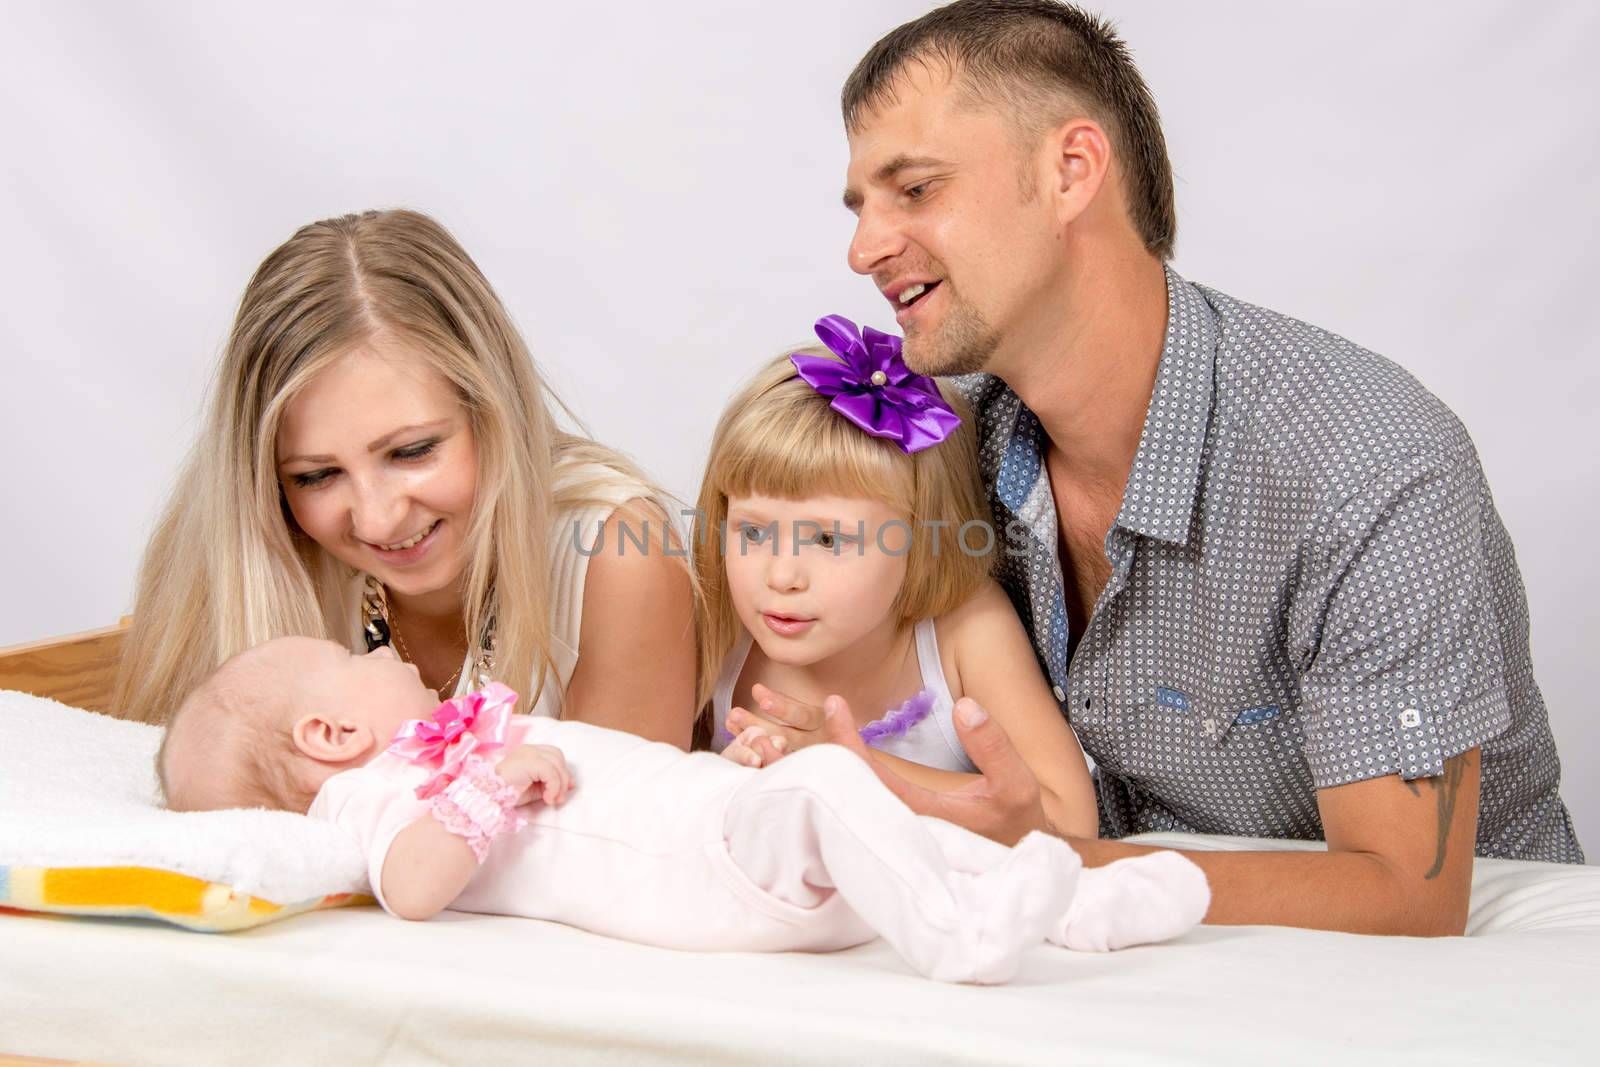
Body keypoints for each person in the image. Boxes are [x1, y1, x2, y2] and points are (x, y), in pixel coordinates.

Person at [735, 0, 1582, 936]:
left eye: (917, 189)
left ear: (1071, 171)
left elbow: (1406, 894)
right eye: (861, 207)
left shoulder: (1367, 461)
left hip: (1441, 986)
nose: (864, 249)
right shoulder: (945, 448)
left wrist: (1041, 857)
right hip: (1109, 966)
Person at [156, 636, 1211, 984]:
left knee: (860, 812)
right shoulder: (372, 796)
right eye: (355, 659)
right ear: (329, 740)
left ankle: (1078, 908)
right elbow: (415, 886)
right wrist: (492, 779)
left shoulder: (430, 752)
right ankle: (963, 937)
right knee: (834, 785)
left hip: (714, 823)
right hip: (698, 873)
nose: (387, 650)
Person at [113, 209, 696, 747]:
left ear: (494, 410)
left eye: (412, 451)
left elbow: (620, 842)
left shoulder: (614, 553)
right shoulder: (236, 558)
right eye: (316, 476)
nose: (377, 517)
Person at [694, 317, 1096, 838]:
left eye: (829, 541)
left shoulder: (963, 631)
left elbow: (1072, 822)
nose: (782, 574)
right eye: (752, 532)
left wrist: (845, 763)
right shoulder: (713, 620)